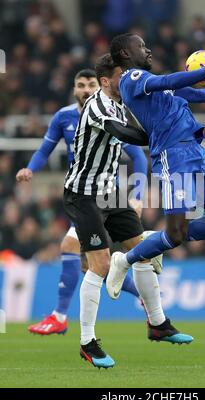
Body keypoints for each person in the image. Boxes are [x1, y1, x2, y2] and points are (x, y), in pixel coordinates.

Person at [107, 33, 205, 299]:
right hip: (173, 156)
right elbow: (170, 79)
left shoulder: (155, 85)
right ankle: (123, 261)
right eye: (142, 46)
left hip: (196, 153)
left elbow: (194, 92)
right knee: (176, 235)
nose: (148, 51)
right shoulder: (132, 80)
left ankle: (153, 239)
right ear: (125, 54)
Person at [63, 54, 193, 369]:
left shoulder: (122, 102)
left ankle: (158, 323)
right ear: (106, 81)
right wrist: (160, 136)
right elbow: (124, 134)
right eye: (122, 75)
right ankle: (87, 342)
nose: (127, 79)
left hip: (111, 192)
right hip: (84, 195)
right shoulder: (98, 106)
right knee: (100, 264)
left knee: (143, 251)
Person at [15, 69, 148, 336]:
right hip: (83, 193)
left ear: (98, 86)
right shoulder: (63, 117)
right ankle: (144, 299)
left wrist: (138, 195)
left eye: (90, 84)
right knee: (93, 263)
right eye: (80, 85)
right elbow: (45, 149)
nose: (85, 89)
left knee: (75, 248)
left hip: (106, 195)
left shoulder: (109, 112)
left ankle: (61, 317)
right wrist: (30, 168)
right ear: (74, 89)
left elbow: (139, 157)